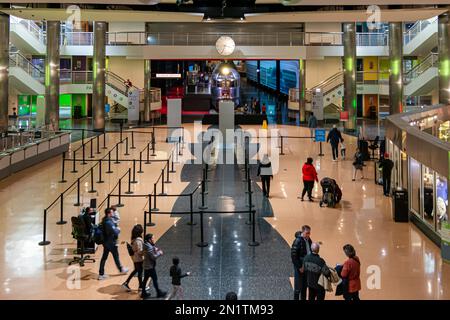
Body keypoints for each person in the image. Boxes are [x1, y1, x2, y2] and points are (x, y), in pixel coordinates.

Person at [98, 208, 128, 280]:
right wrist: (118, 229)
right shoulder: (108, 222)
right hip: (111, 243)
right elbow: (115, 232)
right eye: (112, 212)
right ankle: (121, 269)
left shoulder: (104, 219)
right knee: (116, 256)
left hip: (106, 242)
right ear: (109, 213)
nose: (113, 213)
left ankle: (101, 274)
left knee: (104, 258)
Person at [141, 233, 167, 299]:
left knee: (145, 280)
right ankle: (158, 293)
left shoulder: (146, 244)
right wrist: (159, 253)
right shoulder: (149, 247)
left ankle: (143, 293)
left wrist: (154, 248)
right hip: (150, 267)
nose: (153, 239)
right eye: (152, 238)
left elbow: (149, 251)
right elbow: (153, 257)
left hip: (146, 265)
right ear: (149, 240)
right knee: (155, 279)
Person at [291, 225, 312, 300]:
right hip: (299, 267)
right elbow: (293, 257)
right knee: (297, 287)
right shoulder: (297, 241)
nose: (308, 235)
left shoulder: (309, 240)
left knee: (304, 286)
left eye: (309, 233)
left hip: (306, 267)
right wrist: (299, 267)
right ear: (302, 232)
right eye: (307, 233)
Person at [122, 224, 145, 292]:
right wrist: (146, 252)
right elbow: (140, 251)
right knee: (140, 272)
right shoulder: (138, 240)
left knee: (136, 270)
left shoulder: (133, 238)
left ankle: (126, 283)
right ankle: (140, 286)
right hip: (138, 258)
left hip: (135, 258)